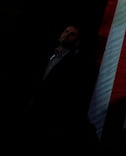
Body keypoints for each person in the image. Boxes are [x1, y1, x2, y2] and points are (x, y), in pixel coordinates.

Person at [25, 23, 100, 153]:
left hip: (51, 114)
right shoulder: (47, 55)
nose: (67, 35)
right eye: (66, 31)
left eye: (72, 34)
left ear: (77, 41)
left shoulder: (76, 64)